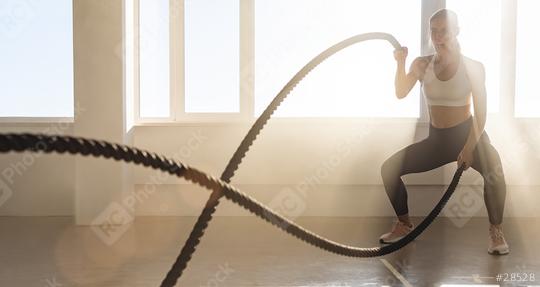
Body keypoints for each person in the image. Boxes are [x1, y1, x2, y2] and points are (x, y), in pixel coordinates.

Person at [378, 8, 509, 255]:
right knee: (389, 168)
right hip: (438, 139)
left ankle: (496, 231)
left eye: (445, 31)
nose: (439, 37)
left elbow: (481, 113)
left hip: (470, 134)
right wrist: (400, 62)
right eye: (434, 31)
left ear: (456, 31)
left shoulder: (473, 67)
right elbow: (400, 92)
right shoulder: (422, 64)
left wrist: (470, 147)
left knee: (495, 171)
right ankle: (405, 225)